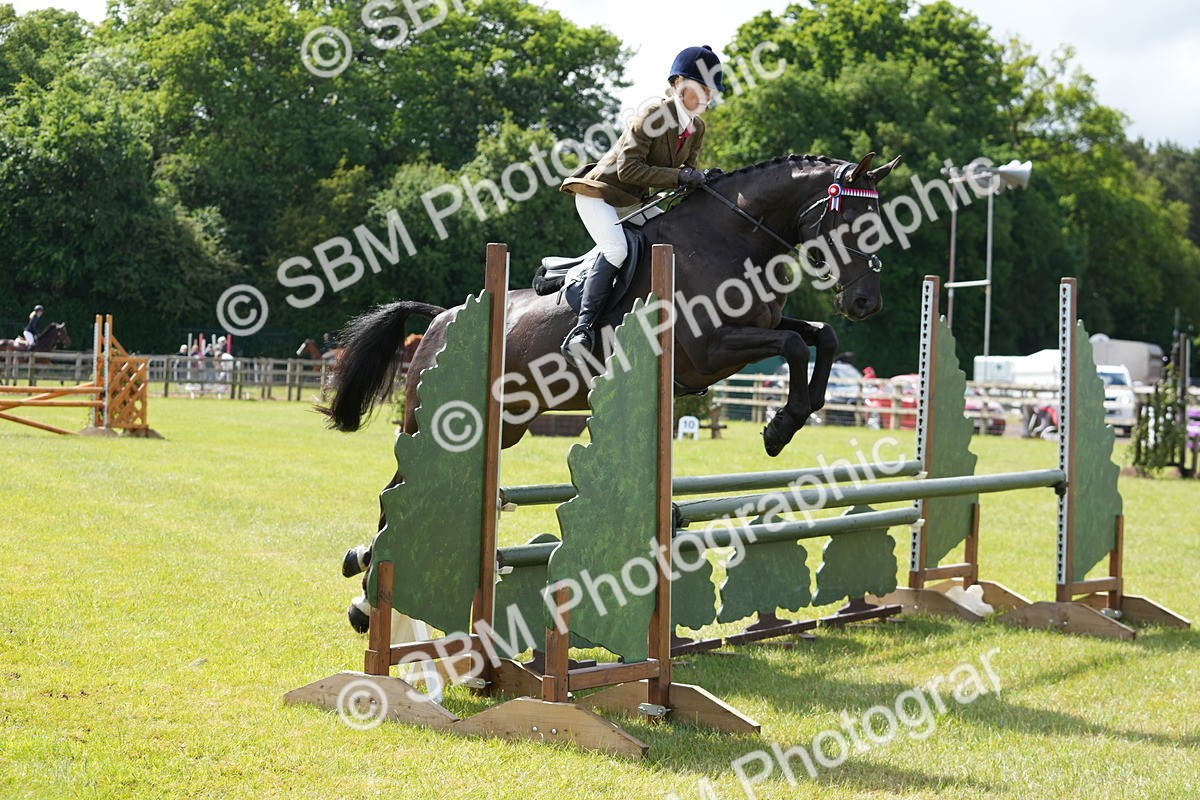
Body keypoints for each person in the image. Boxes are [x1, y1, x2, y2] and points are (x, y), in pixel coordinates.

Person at [558, 45, 723, 365]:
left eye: (710, 91)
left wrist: (706, 180)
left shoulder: (697, 128)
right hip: (600, 195)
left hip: (634, 201)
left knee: (673, 241)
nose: (708, 97)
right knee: (617, 250)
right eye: (703, 89)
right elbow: (628, 170)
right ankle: (583, 329)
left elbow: (684, 176)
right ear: (680, 84)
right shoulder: (653, 115)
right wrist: (683, 176)